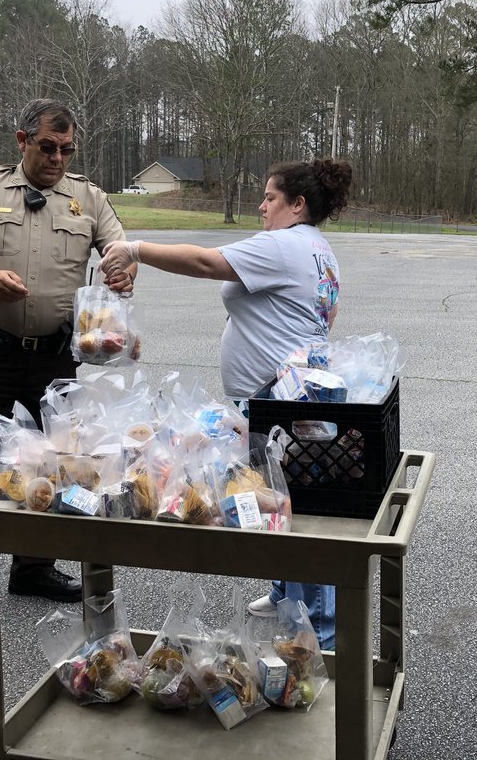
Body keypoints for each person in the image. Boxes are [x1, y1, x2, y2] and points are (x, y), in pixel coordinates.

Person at [98, 157, 352, 648]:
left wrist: (136, 248)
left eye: (270, 197)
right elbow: (329, 311)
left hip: (279, 404)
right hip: (276, 399)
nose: (261, 206)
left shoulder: (282, 245)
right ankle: (285, 593)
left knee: (290, 503)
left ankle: (323, 636)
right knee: (272, 493)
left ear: (297, 205)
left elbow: (203, 262)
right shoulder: (318, 248)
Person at [0, 98, 136, 635]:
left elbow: (117, 247)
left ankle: (34, 565)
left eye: (67, 149)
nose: (58, 158)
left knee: (52, 465)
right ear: (22, 140)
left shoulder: (87, 197)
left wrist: (120, 272)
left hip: (55, 359)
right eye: (48, 147)